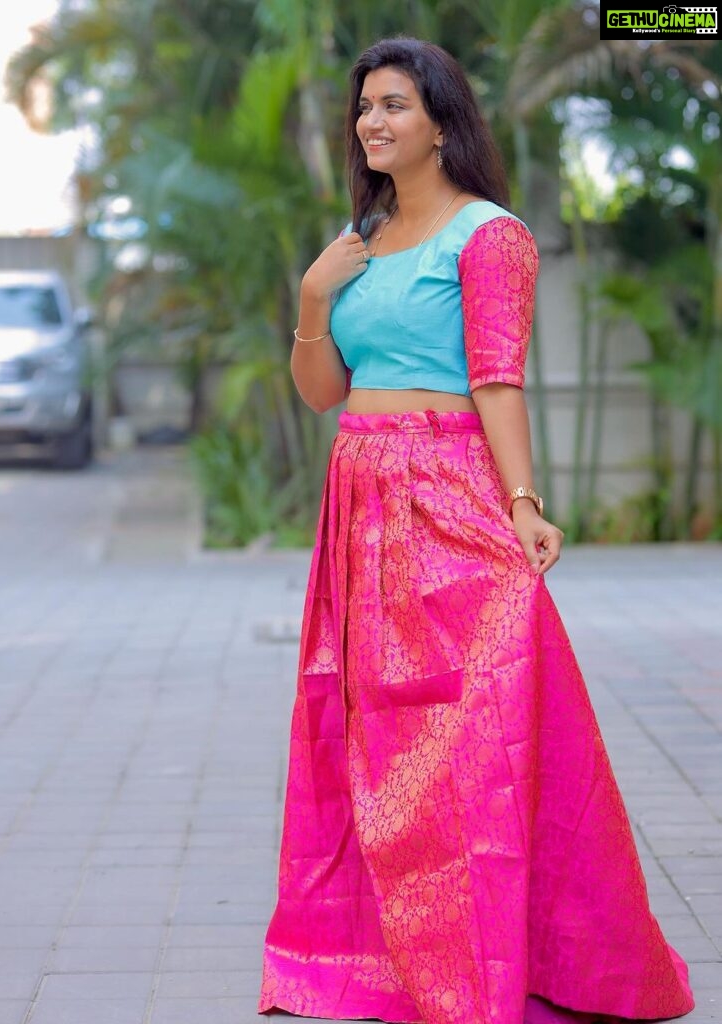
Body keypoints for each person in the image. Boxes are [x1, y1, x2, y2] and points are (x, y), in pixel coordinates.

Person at [258, 36, 695, 1024]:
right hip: (361, 505)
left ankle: (498, 958)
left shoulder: (488, 236)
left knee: (476, 736)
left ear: (443, 122)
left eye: (395, 105)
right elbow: (326, 392)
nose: (373, 121)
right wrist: (311, 298)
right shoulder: (356, 240)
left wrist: (525, 503)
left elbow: (498, 378)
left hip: (448, 492)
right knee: (372, 742)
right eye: (365, 105)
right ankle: (385, 959)